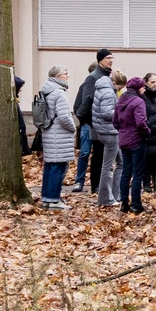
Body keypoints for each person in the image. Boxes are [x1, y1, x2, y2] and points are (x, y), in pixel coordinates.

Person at [33, 67, 78, 207]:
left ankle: (47, 197)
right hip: (59, 135)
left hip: (49, 133)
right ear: (58, 76)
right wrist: (73, 128)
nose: (67, 76)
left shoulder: (46, 90)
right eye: (65, 74)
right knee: (59, 167)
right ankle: (54, 199)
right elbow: (64, 116)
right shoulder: (59, 93)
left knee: (50, 166)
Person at [74, 52, 112, 201]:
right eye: (108, 58)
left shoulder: (107, 77)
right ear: (100, 60)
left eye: (112, 58)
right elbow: (85, 104)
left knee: (106, 157)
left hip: (106, 124)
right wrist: (94, 123)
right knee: (97, 155)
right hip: (97, 125)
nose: (111, 61)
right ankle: (96, 185)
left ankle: (103, 186)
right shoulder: (92, 78)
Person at [111, 77, 150, 215]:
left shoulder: (120, 100)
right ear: (138, 88)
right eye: (143, 87)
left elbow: (115, 122)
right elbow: (141, 123)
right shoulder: (139, 102)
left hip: (123, 140)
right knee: (137, 173)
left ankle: (124, 203)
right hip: (137, 140)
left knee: (125, 173)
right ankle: (136, 204)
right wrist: (147, 132)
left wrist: (123, 131)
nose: (144, 89)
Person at [86, 56, 122, 204]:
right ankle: (106, 198)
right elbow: (107, 113)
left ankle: (115, 195)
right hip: (109, 132)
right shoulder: (108, 92)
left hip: (106, 131)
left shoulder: (101, 88)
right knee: (108, 166)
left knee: (120, 163)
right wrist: (122, 114)